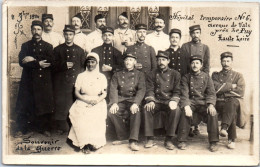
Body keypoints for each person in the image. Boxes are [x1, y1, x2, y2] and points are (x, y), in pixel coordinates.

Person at [14, 20, 54, 137]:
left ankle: (43, 128)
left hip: (43, 81)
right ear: (31, 30)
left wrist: (32, 59)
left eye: (39, 29)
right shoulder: (25, 46)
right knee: (25, 104)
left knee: (43, 104)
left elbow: (50, 61)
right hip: (28, 80)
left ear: (42, 31)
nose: (36, 32)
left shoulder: (48, 46)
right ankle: (22, 129)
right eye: (34, 29)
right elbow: (22, 62)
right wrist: (37, 63)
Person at [177, 55, 219, 152]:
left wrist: (211, 104)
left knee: (213, 113)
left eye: (197, 63)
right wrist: (186, 106)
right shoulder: (186, 77)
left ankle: (213, 142)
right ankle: (182, 140)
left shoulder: (206, 77)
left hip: (204, 103)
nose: (194, 65)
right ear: (190, 65)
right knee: (184, 112)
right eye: (192, 63)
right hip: (191, 103)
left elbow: (211, 93)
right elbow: (184, 94)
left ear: (201, 65)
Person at [68, 52, 107, 154]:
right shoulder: (81, 76)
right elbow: (76, 93)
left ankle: (94, 142)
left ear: (97, 63)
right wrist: (87, 100)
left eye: (93, 62)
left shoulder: (101, 76)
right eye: (88, 62)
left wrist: (97, 101)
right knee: (82, 116)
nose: (90, 64)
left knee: (95, 115)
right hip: (83, 99)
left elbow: (104, 93)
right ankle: (85, 143)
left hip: (97, 101)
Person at [143, 51, 181, 150]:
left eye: (163, 60)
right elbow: (149, 89)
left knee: (176, 110)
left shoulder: (175, 74)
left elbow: (177, 91)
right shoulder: (151, 74)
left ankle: (169, 139)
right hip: (156, 100)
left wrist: (174, 101)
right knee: (147, 108)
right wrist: (151, 100)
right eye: (159, 60)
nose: (161, 62)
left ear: (168, 61)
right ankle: (150, 138)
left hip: (169, 101)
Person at [108, 53, 146, 151]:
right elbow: (113, 89)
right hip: (120, 99)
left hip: (132, 100)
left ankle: (133, 140)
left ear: (135, 62)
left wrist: (136, 103)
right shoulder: (117, 74)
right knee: (112, 112)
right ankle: (123, 137)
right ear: (124, 62)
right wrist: (114, 103)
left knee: (136, 112)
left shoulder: (140, 74)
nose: (128, 62)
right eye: (126, 60)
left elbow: (141, 90)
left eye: (131, 60)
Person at [53, 25, 85, 135]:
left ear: (74, 35)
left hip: (74, 82)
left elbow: (83, 68)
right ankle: (61, 127)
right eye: (66, 34)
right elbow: (53, 66)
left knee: (73, 104)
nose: (68, 37)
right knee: (61, 104)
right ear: (63, 35)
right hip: (60, 82)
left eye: (70, 34)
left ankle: (73, 126)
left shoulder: (80, 50)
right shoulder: (57, 50)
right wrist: (64, 65)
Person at [212, 52, 246, 149]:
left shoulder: (238, 75)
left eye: (228, 61)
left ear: (232, 62)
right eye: (224, 61)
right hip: (219, 101)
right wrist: (231, 86)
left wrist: (223, 90)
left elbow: (240, 92)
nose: (226, 63)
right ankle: (231, 139)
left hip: (234, 101)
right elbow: (215, 90)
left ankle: (224, 128)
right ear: (221, 62)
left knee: (231, 103)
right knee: (231, 110)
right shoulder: (215, 75)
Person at [181, 24, 211, 135]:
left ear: (200, 33)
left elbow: (207, 65)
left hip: (200, 78)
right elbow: (183, 65)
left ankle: (196, 126)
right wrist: (185, 78)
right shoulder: (185, 46)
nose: (195, 35)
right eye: (193, 33)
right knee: (188, 100)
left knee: (198, 98)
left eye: (197, 32)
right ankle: (188, 126)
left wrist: (205, 78)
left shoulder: (205, 47)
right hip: (188, 78)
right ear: (190, 34)